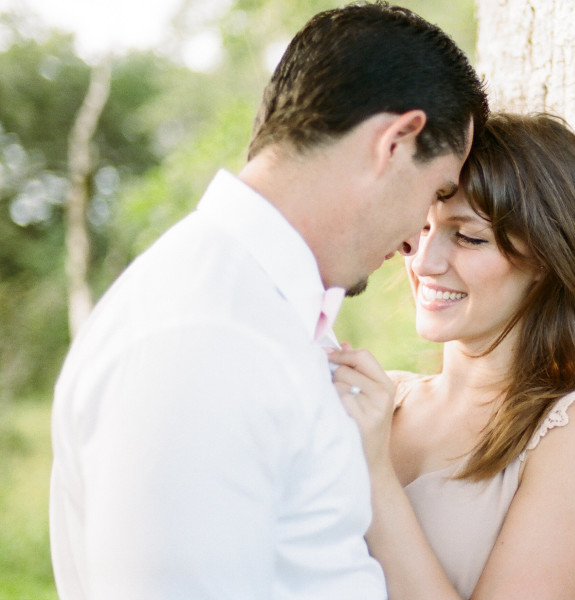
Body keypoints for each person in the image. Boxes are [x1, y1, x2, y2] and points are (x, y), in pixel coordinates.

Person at [49, 3, 487, 599]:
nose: (417, 236)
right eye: (435, 190)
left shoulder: (267, 311)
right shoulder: (204, 335)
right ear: (395, 141)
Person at [328, 112, 575, 600]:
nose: (424, 264)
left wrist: (374, 476)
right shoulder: (381, 398)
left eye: (468, 237)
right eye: (422, 227)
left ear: (544, 257)